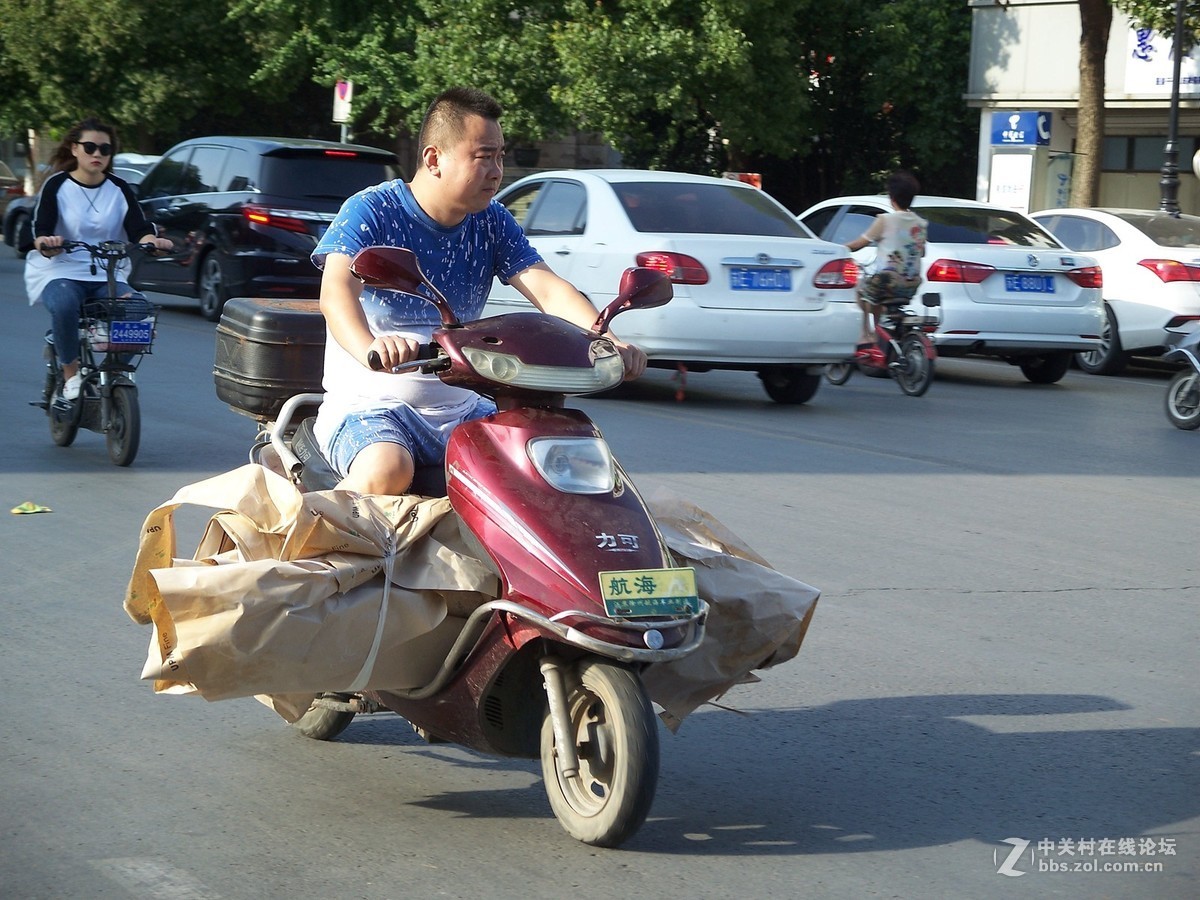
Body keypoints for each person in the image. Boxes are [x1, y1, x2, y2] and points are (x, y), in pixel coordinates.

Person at [312, 86, 647, 496]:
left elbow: (547, 288)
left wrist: (606, 339)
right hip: (372, 409)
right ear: (434, 159)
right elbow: (336, 292)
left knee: (558, 464)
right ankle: (316, 545)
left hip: (464, 407)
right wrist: (372, 346)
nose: (497, 170)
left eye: (500, 156)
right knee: (387, 471)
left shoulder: (491, 221)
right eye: (483, 156)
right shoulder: (373, 210)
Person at [26, 118, 172, 400]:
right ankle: (71, 373)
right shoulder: (57, 186)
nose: (97, 154)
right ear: (74, 149)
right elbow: (41, 230)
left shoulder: (119, 188)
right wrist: (47, 243)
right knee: (66, 303)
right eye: (90, 147)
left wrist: (151, 242)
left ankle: (112, 371)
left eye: (104, 149)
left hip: (108, 275)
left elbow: (138, 230)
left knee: (139, 310)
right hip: (61, 272)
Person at [845, 170, 927, 347]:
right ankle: (879, 333)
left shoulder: (885, 220)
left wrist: (839, 248)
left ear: (892, 197)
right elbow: (922, 251)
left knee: (862, 292)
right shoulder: (920, 223)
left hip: (888, 281)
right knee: (877, 295)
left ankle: (867, 334)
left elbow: (860, 243)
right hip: (912, 282)